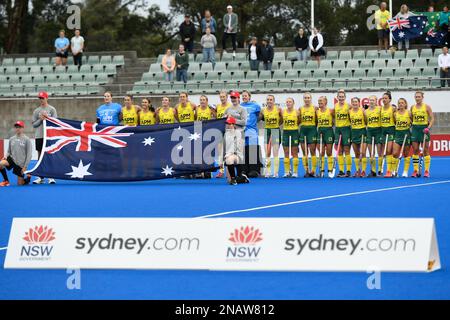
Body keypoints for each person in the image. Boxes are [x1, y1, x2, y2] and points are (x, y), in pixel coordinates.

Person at [32, 91, 57, 185]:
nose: (41, 100)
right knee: (40, 155)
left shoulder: (52, 109)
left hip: (49, 136)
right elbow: (34, 124)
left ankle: (51, 176)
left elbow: (56, 122)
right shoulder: (36, 111)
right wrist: (40, 119)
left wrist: (47, 118)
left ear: (47, 98)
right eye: (40, 98)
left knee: (50, 154)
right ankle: (40, 176)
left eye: (43, 98)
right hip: (39, 135)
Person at [223, 91, 248, 185]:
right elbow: (223, 119)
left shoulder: (242, 109)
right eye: (232, 98)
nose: (233, 99)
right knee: (229, 154)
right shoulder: (228, 109)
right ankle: (235, 177)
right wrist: (225, 118)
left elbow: (244, 122)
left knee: (239, 155)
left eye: (235, 97)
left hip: (239, 133)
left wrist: (234, 120)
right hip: (229, 133)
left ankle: (241, 175)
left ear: (238, 98)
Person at [0, 121, 32, 187]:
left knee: (20, 184)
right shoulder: (12, 139)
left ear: (23, 128)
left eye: (19, 127)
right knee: (1, 164)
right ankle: (6, 181)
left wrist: (25, 166)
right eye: (16, 127)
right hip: (12, 160)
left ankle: (28, 179)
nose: (18, 129)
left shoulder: (27, 139)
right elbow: (9, 151)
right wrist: (5, 156)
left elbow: (29, 154)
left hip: (20, 164)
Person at [410, 92, 434, 178]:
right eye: (416, 97)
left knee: (425, 150)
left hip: (424, 129)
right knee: (415, 150)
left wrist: (428, 127)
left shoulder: (426, 107)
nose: (417, 98)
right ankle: (415, 170)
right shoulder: (412, 107)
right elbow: (410, 118)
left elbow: (432, 118)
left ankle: (426, 171)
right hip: (415, 129)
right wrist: (413, 125)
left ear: (422, 97)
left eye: (419, 97)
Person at [240, 90, 263, 177]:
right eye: (243, 96)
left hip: (252, 130)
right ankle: (244, 170)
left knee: (252, 150)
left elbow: (259, 116)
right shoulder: (239, 106)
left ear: (249, 97)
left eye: (246, 96)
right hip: (242, 130)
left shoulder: (256, 106)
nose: (244, 97)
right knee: (243, 151)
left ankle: (254, 170)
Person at [260, 95, 282, 178]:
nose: (269, 101)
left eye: (271, 99)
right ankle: (268, 172)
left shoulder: (278, 110)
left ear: (274, 101)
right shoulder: (263, 110)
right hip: (267, 131)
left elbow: (282, 119)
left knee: (275, 152)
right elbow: (261, 118)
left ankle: (275, 172)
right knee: (267, 153)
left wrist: (277, 126)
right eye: (268, 99)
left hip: (275, 130)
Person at [334, 89, 352, 178]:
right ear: (337, 97)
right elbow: (334, 117)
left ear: (345, 97)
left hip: (346, 129)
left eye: (342, 97)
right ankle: (341, 170)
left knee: (347, 150)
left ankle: (348, 171)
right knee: (339, 150)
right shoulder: (335, 106)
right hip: (338, 129)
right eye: (339, 97)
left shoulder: (348, 106)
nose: (341, 98)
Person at [299, 93, 318, 177]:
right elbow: (299, 120)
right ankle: (306, 170)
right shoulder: (300, 109)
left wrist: (313, 127)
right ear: (303, 99)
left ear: (311, 99)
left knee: (312, 151)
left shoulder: (315, 108)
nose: (307, 99)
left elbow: (317, 120)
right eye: (305, 98)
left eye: (308, 98)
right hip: (303, 130)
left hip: (312, 130)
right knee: (304, 152)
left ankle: (313, 170)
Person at [316, 96, 335, 178]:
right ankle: (322, 170)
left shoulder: (330, 111)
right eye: (319, 101)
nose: (319, 102)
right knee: (321, 152)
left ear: (325, 102)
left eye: (321, 101)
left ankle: (330, 169)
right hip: (320, 131)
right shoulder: (316, 111)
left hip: (328, 131)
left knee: (329, 152)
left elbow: (334, 121)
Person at [392, 98, 412, 178]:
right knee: (395, 153)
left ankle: (405, 171)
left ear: (405, 104)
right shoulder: (395, 114)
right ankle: (394, 170)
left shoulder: (409, 113)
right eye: (399, 103)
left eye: (402, 103)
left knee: (406, 154)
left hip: (406, 134)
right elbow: (394, 122)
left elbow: (413, 122)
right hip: (398, 134)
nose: (400, 104)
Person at [281, 98, 300, 178]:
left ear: (293, 103)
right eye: (287, 102)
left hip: (294, 132)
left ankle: (295, 172)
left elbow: (299, 121)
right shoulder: (283, 112)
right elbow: (281, 121)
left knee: (294, 152)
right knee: (286, 153)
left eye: (290, 102)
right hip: (285, 132)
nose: (288, 103)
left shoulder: (297, 112)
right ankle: (287, 172)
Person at [349, 97, 368, 178]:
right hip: (354, 132)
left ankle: (363, 171)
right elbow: (350, 121)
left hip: (362, 131)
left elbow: (366, 120)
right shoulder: (349, 112)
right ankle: (357, 170)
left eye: (356, 102)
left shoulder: (363, 111)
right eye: (353, 102)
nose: (354, 103)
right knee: (356, 153)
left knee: (363, 152)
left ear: (359, 103)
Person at [365, 95, 383, 177]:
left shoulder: (380, 109)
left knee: (379, 152)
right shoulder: (366, 111)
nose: (371, 101)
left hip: (378, 130)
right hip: (370, 131)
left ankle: (380, 170)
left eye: (373, 100)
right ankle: (373, 171)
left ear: (376, 101)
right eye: (370, 100)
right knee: (371, 152)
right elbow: (365, 121)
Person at [215, 91, 232, 178]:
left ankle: (229, 170)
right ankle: (221, 171)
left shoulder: (230, 106)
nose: (222, 98)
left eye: (223, 97)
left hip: (229, 131)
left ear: (227, 97)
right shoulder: (217, 107)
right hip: (220, 131)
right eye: (221, 97)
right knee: (220, 152)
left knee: (229, 152)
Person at [380, 91, 396, 177]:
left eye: (386, 98)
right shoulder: (380, 109)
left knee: (389, 150)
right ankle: (387, 169)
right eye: (383, 98)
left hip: (391, 129)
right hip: (383, 130)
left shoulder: (393, 109)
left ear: (390, 99)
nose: (384, 100)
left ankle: (389, 170)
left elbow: (396, 119)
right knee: (383, 151)